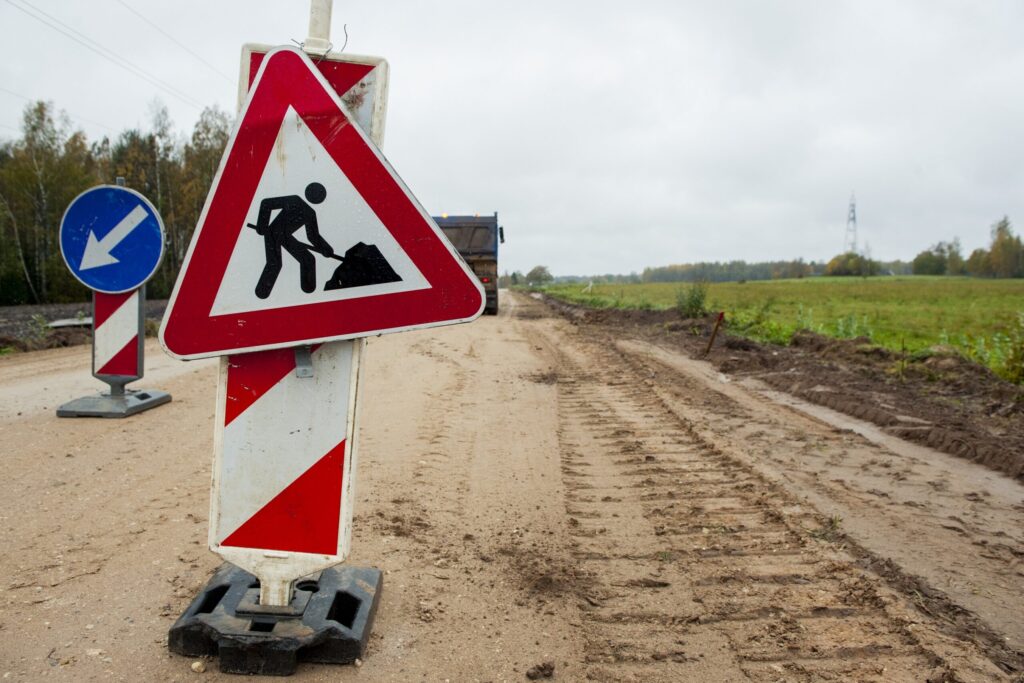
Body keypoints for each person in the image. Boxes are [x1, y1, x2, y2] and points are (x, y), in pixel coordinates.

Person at [249, 182, 334, 299]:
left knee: (308, 259)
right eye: (316, 195)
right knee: (275, 264)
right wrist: (262, 225)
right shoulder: (295, 200)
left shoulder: (310, 213)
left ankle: (309, 293)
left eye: (319, 196)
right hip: (273, 233)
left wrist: (326, 249)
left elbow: (313, 236)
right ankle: (261, 292)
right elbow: (266, 204)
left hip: (286, 237)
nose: (317, 198)